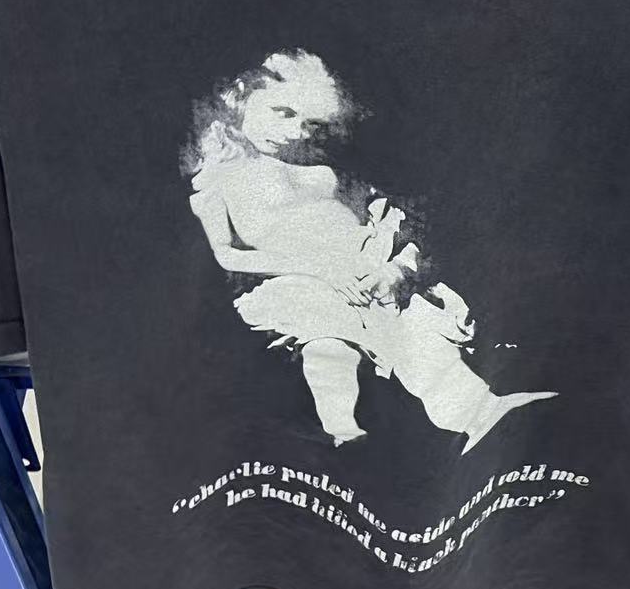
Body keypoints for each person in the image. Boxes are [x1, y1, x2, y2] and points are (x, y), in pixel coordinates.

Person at [186, 49, 555, 452]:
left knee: (420, 335)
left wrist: (389, 270)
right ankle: (343, 432)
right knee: (329, 342)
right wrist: (321, 270)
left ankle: (480, 415)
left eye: (310, 124)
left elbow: (387, 223)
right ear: (243, 98)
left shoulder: (324, 173)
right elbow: (228, 254)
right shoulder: (220, 180)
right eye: (283, 113)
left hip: (368, 273)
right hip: (302, 277)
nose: (296, 132)